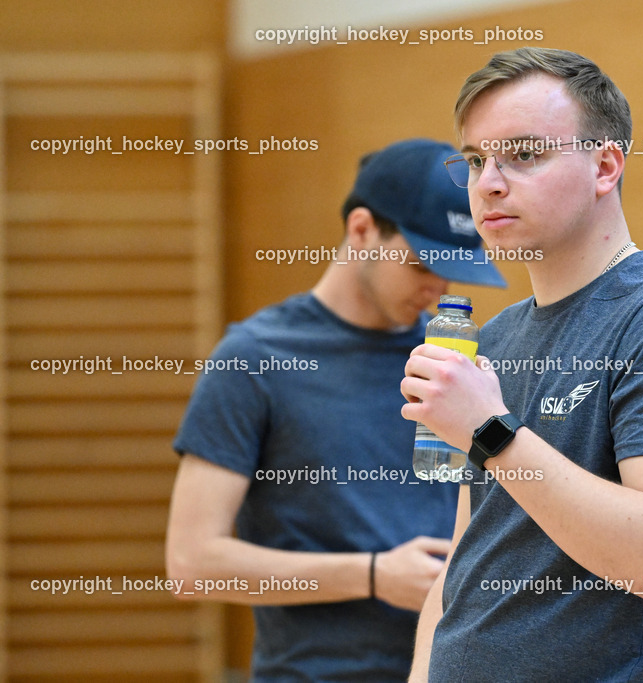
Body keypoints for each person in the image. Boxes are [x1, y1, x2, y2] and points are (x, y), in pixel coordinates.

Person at [401, 47, 643, 682]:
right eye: (476, 160)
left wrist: (491, 433)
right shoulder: (498, 338)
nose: (489, 182)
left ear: (605, 165)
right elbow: (466, 557)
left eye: (524, 154)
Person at [165, 138, 505, 681]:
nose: (437, 289)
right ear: (363, 230)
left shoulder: (452, 363)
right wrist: (372, 575)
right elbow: (191, 566)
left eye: (452, 271)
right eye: (421, 264)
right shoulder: (254, 360)